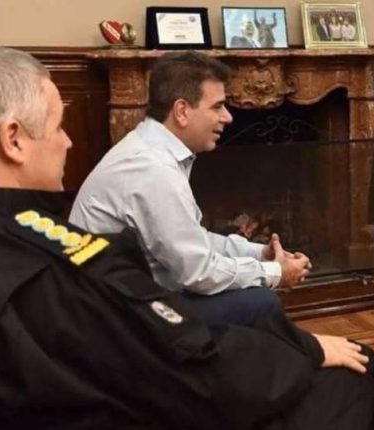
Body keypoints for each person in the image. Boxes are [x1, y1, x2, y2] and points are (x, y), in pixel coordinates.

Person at [0, 43, 374, 430]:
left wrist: (257, 256)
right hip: (168, 401)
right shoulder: (50, 268)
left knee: (293, 333)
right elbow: (185, 356)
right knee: (356, 366)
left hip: (149, 381)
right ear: (13, 139)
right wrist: (304, 347)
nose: (68, 142)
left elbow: (181, 270)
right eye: (58, 125)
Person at [70, 52, 310, 326]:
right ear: (182, 111)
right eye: (217, 107)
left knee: (256, 297)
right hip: (119, 317)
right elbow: (198, 273)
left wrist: (258, 253)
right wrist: (274, 272)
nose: (228, 117)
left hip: (129, 297)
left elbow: (192, 240)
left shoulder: (150, 150)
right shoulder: (154, 170)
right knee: (260, 301)